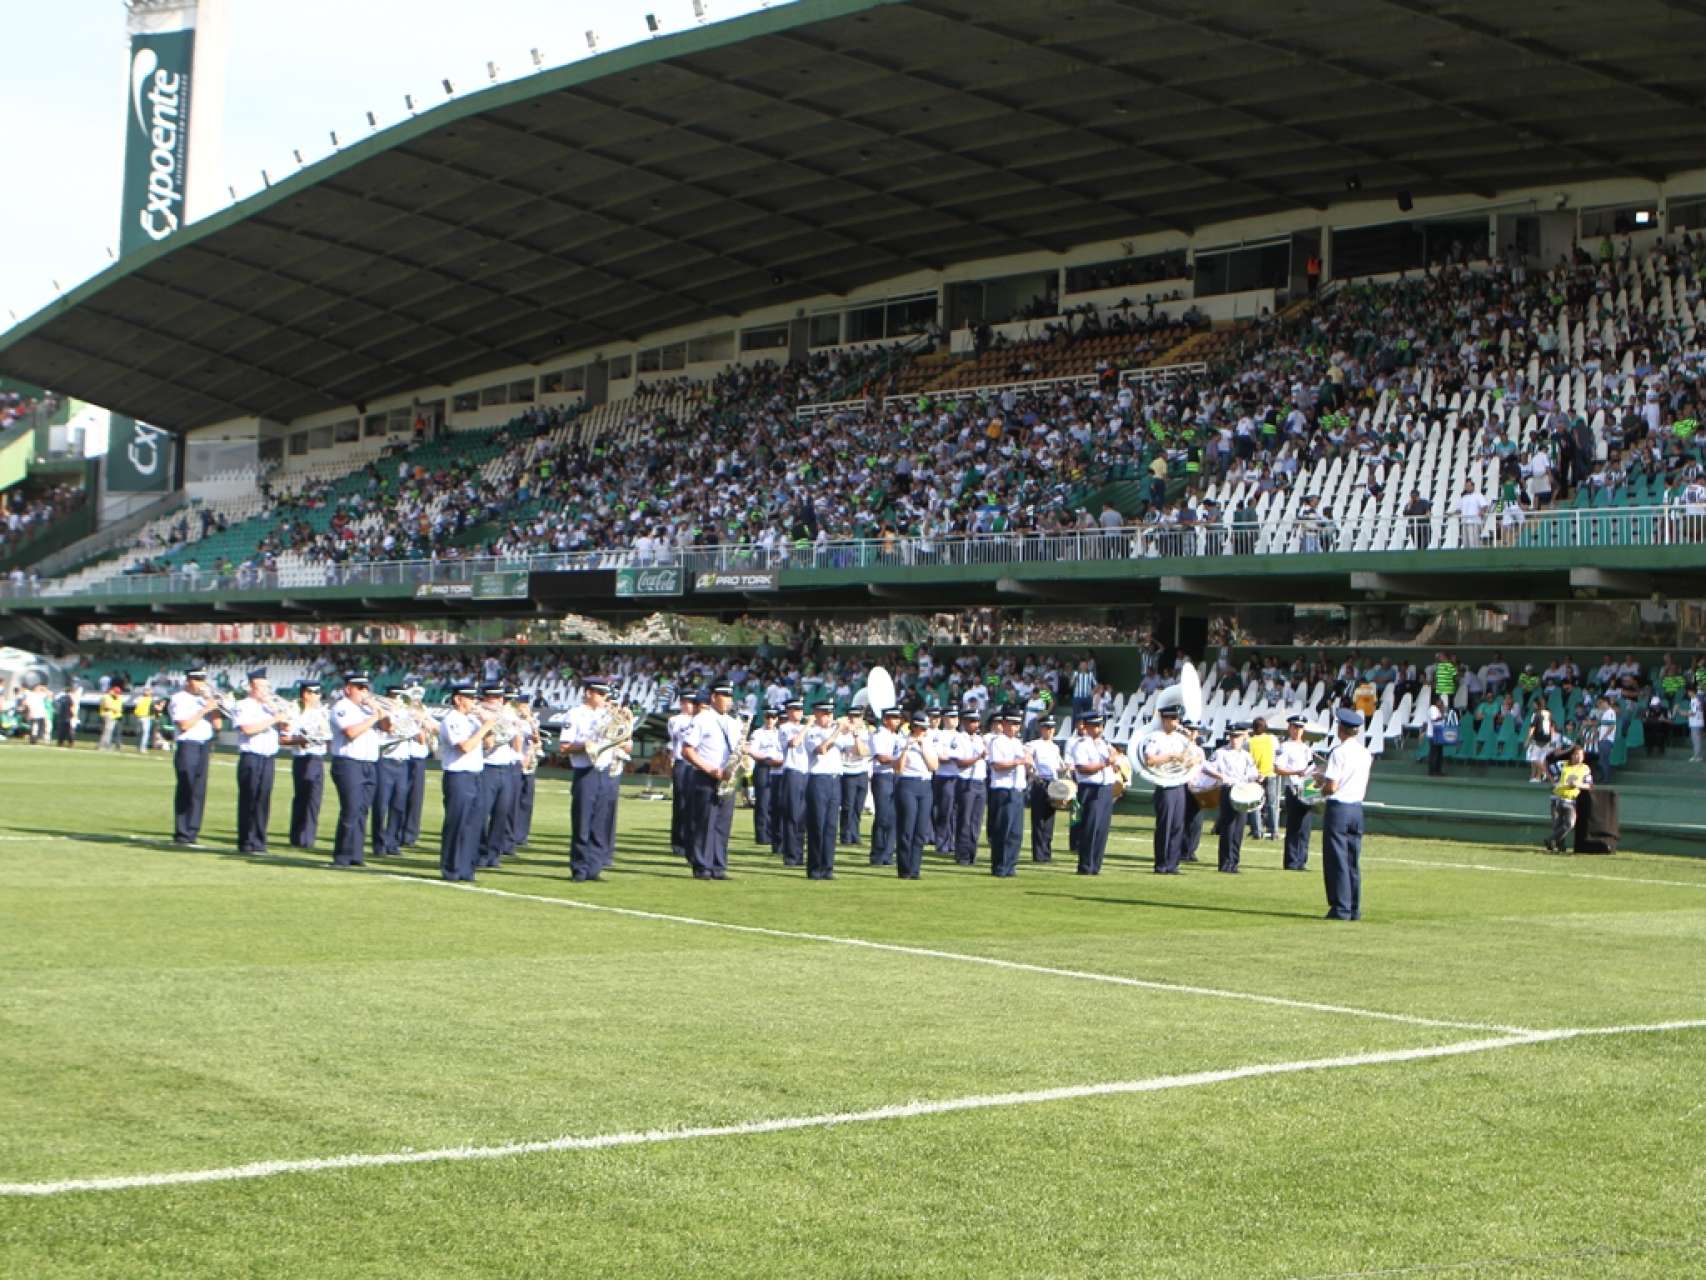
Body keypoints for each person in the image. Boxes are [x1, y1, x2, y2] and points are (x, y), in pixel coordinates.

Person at [558, 679, 626, 882]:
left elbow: (621, 740)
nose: (605, 698)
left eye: (605, 694)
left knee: (600, 823)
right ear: (588, 693)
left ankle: (594, 868)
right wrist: (588, 745)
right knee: (582, 822)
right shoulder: (575, 714)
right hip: (585, 771)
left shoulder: (608, 715)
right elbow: (564, 746)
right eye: (600, 693)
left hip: (605, 770)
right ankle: (579, 867)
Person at [1316, 708, 1373, 921]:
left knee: (1336, 859)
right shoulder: (1365, 753)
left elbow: (1332, 786)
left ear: (1341, 729)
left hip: (1339, 808)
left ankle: (1340, 907)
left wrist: (1318, 789)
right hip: (1356, 808)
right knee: (1351, 859)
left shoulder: (1339, 752)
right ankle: (1354, 907)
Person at [681, 685, 740, 880]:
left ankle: (718, 866)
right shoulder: (701, 719)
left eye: (731, 696)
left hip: (727, 778)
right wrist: (711, 770)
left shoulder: (732, 722)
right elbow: (687, 750)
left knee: (722, 825)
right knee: (705, 823)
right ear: (714, 697)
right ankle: (702, 866)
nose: (729, 700)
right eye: (725, 696)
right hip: (707, 776)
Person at [437, 684, 494, 882]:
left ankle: (467, 868)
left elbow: (488, 745)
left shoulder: (472, 720)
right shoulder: (451, 720)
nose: (474, 702)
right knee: (457, 823)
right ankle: (451, 868)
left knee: (474, 824)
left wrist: (488, 727)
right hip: (458, 776)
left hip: (475, 775)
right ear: (458, 699)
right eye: (469, 698)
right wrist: (485, 727)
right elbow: (465, 747)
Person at [328, 673, 387, 867]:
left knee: (363, 810)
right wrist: (374, 717)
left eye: (366, 688)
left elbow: (388, 727)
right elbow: (351, 732)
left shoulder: (367, 709)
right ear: (348, 689)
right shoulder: (341, 707)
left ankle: (356, 854)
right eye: (359, 687)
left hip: (369, 764)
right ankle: (342, 855)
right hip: (348, 763)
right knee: (351, 809)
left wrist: (379, 710)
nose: (364, 692)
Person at [233, 668, 290, 855]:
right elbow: (247, 729)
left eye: (267, 687)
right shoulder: (243, 705)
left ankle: (259, 840)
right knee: (249, 799)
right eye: (261, 687)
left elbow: (286, 726)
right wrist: (273, 718)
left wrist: (279, 715)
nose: (265, 691)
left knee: (263, 800)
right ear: (251, 687)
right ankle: (246, 841)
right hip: (251, 756)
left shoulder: (271, 706)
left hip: (268, 757)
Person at [803, 704, 859, 879]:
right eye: (825, 714)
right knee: (817, 825)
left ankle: (828, 868)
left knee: (830, 827)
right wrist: (836, 732)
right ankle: (814, 868)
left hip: (835, 780)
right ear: (816, 714)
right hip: (818, 779)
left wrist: (854, 732)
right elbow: (821, 750)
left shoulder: (838, 732)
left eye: (830, 714)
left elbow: (857, 752)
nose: (828, 717)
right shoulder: (812, 732)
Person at [169, 669, 223, 846]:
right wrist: (203, 710)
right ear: (188, 680)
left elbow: (218, 725)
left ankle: (193, 831)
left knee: (199, 789)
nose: (200, 684)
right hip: (188, 745)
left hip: (204, 745)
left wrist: (214, 707)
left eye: (202, 680)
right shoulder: (179, 698)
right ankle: (182, 831)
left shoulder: (205, 699)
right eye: (197, 680)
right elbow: (184, 725)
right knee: (187, 786)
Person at [1140, 705, 1191, 874]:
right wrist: (1170, 756)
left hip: (1178, 782)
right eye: (1173, 719)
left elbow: (1188, 759)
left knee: (1177, 825)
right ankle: (1161, 863)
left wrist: (1189, 755)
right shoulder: (1156, 738)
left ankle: (1173, 863)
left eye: (1177, 719)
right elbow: (1150, 759)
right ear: (1165, 720)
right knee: (1165, 825)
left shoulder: (1179, 738)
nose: (1176, 723)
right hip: (1164, 783)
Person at [476, 686, 523, 869]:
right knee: (482, 813)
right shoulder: (478, 715)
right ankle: (479, 852)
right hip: (486, 766)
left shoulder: (508, 715)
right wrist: (492, 726)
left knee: (501, 813)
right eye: (492, 697)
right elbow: (487, 744)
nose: (497, 701)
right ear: (484, 699)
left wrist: (517, 726)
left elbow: (517, 741)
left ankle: (494, 854)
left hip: (506, 766)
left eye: (499, 697)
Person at [1204, 723, 1258, 874]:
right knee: (1228, 827)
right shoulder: (1221, 753)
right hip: (1228, 789)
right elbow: (1207, 767)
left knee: (1239, 828)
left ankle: (1234, 862)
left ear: (1243, 737)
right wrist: (1221, 776)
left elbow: (1252, 772)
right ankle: (1225, 862)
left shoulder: (1246, 756)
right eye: (1232, 736)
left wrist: (1257, 776)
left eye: (1237, 737)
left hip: (1242, 790)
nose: (1234, 739)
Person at [893, 711, 939, 879]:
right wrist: (907, 747)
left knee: (920, 830)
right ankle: (904, 869)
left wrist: (922, 747)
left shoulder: (928, 742)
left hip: (925, 785)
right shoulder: (901, 740)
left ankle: (915, 868)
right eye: (921, 728)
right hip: (907, 784)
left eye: (925, 728)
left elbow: (934, 766)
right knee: (907, 828)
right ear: (914, 727)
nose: (924, 731)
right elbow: (898, 768)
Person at [1070, 711, 1117, 875]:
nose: (1099, 729)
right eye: (1095, 726)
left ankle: (1096, 865)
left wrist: (1114, 761)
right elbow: (1083, 768)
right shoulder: (1081, 744)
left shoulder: (1105, 744)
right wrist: (1105, 763)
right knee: (1090, 827)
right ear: (1087, 727)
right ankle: (1085, 865)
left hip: (1106, 787)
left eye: (1100, 725)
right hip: (1090, 788)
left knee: (1102, 829)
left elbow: (1114, 760)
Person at [284, 681, 328, 849]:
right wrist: (301, 740)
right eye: (314, 693)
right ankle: (298, 836)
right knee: (303, 798)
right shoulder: (295, 712)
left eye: (319, 693)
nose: (318, 696)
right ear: (305, 694)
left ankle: (309, 838)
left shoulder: (322, 712)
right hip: (303, 757)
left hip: (318, 756)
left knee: (315, 800)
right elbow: (285, 738)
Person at [986, 710, 1030, 876]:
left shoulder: (1018, 743)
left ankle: (1011, 865)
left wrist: (1027, 764)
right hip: (1003, 789)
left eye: (1017, 724)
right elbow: (996, 765)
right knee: (1002, 830)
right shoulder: (998, 742)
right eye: (1011, 724)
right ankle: (999, 866)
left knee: (1015, 832)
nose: (1014, 727)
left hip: (1017, 788)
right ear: (1003, 724)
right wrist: (1017, 762)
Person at [1273, 714, 1316, 871]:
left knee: (1305, 827)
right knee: (1294, 826)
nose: (1298, 730)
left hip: (1307, 788)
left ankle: (1301, 860)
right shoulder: (1285, 746)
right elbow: (1277, 768)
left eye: (1301, 727)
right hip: (1293, 788)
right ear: (1289, 728)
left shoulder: (1306, 748)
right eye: (1295, 727)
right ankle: (1291, 861)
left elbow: (1310, 771)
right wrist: (1295, 772)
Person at [866, 705, 903, 866]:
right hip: (883, 776)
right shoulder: (879, 735)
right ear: (886, 719)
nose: (898, 721)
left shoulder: (898, 736)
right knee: (883, 816)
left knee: (894, 816)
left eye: (898, 718)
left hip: (896, 776)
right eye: (894, 718)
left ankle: (888, 853)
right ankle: (878, 853)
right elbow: (881, 757)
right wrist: (899, 761)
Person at [774, 699, 808, 866]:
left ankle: (799, 854)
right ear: (788, 711)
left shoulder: (808, 728)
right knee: (792, 815)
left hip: (806, 773)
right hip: (792, 772)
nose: (798, 712)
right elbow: (794, 743)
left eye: (800, 709)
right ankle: (790, 855)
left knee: (802, 817)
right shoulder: (784, 728)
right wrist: (808, 726)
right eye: (794, 709)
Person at [402, 687, 437, 849]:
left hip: (419, 758)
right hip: (407, 757)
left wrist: (426, 722)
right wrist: (420, 724)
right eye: (413, 698)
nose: (417, 702)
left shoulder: (423, 712)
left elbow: (434, 731)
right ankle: (399, 833)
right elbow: (420, 738)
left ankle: (410, 835)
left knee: (416, 799)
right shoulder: (406, 713)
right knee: (401, 797)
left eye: (418, 699)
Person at [1026, 715, 1064, 862]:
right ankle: (1039, 853)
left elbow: (1059, 765)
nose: (1050, 731)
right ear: (1041, 728)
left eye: (1052, 728)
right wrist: (1032, 772)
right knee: (1039, 820)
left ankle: (1046, 852)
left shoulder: (1055, 747)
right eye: (1047, 727)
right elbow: (1029, 759)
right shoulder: (1034, 744)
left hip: (1053, 783)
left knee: (1049, 820)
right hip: (1040, 782)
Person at [667, 693, 699, 863]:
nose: (688, 706)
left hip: (697, 763)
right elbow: (676, 739)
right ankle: (678, 841)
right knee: (680, 803)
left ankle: (692, 840)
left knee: (695, 803)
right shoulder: (675, 720)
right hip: (682, 761)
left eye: (691, 703)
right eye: (685, 702)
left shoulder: (701, 719)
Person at [955, 710, 988, 866]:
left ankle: (972, 853)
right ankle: (962, 854)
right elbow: (960, 763)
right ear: (964, 722)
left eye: (976, 721)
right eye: (971, 721)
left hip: (980, 781)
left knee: (976, 821)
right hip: (966, 781)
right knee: (965, 820)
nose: (975, 724)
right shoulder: (959, 738)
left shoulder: (979, 739)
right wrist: (978, 757)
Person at [1545, 743, 1592, 854]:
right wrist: (1554, 781)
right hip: (1558, 798)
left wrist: (1578, 784)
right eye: (1576, 754)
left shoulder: (1585, 768)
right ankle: (1558, 846)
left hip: (1571, 800)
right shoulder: (1562, 765)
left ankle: (1550, 840)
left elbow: (1589, 785)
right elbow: (1547, 763)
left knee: (1569, 823)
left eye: (1580, 755)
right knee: (1557, 825)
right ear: (1571, 755)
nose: (1578, 757)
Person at [931, 707, 964, 857]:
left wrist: (952, 756)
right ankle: (942, 842)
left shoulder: (961, 736)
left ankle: (954, 842)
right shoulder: (939, 735)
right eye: (951, 717)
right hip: (944, 776)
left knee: (957, 812)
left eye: (956, 717)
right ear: (944, 719)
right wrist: (955, 757)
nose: (955, 719)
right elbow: (940, 756)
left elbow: (964, 754)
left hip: (959, 776)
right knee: (945, 811)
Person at [747, 706, 782, 847]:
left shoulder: (780, 733)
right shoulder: (758, 733)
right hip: (763, 767)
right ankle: (762, 835)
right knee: (763, 802)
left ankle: (774, 833)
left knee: (775, 803)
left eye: (773, 717)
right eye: (768, 717)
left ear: (777, 719)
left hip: (778, 768)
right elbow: (753, 751)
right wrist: (768, 759)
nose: (770, 720)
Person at [839, 711, 873, 847]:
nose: (854, 719)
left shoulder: (865, 733)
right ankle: (845, 834)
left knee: (858, 806)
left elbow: (863, 752)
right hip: (848, 772)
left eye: (857, 717)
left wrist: (856, 735)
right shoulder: (842, 734)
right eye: (852, 716)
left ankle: (855, 833)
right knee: (848, 806)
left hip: (862, 771)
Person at [1247, 715, 1277, 840]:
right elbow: (1277, 752)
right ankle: (1273, 831)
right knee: (1272, 804)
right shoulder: (1272, 739)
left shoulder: (1249, 742)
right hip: (1270, 773)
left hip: (1256, 775)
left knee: (1255, 804)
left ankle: (1257, 831)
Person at [97, 685, 125, 752]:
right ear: (111, 691)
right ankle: (102, 746)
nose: (117, 694)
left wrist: (117, 709)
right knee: (107, 731)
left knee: (108, 731)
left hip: (112, 715)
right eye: (116, 692)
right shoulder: (106, 697)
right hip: (107, 714)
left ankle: (105, 745)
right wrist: (116, 709)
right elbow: (107, 706)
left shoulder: (113, 697)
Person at [132, 686, 155, 753]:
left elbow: (152, 708)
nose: (147, 692)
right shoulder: (146, 699)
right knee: (142, 733)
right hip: (141, 717)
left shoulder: (143, 699)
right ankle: (140, 747)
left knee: (143, 733)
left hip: (143, 717)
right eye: (146, 690)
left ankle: (141, 747)